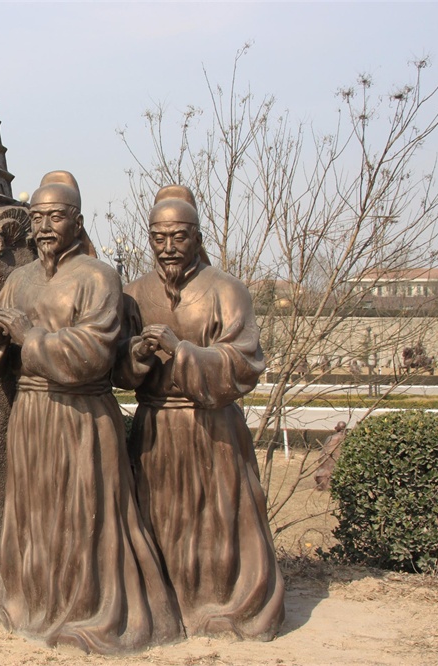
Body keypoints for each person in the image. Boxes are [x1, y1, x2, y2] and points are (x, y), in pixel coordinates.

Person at [0, 171, 183, 653]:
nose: (44, 227)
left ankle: (90, 612)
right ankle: (30, 605)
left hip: (81, 416)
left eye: (56, 217)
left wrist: (29, 337)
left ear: (77, 222)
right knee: (34, 515)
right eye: (37, 217)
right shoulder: (18, 280)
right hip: (31, 415)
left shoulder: (98, 277)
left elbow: (95, 351)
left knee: (84, 517)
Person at [114, 186, 285, 640]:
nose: (168, 247)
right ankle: (164, 604)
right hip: (155, 427)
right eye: (159, 238)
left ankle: (222, 603)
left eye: (179, 237)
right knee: (157, 516)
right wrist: (138, 354)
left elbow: (244, 361)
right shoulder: (133, 294)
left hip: (212, 428)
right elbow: (117, 368)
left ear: (197, 237)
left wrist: (182, 351)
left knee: (217, 521)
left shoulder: (227, 290)